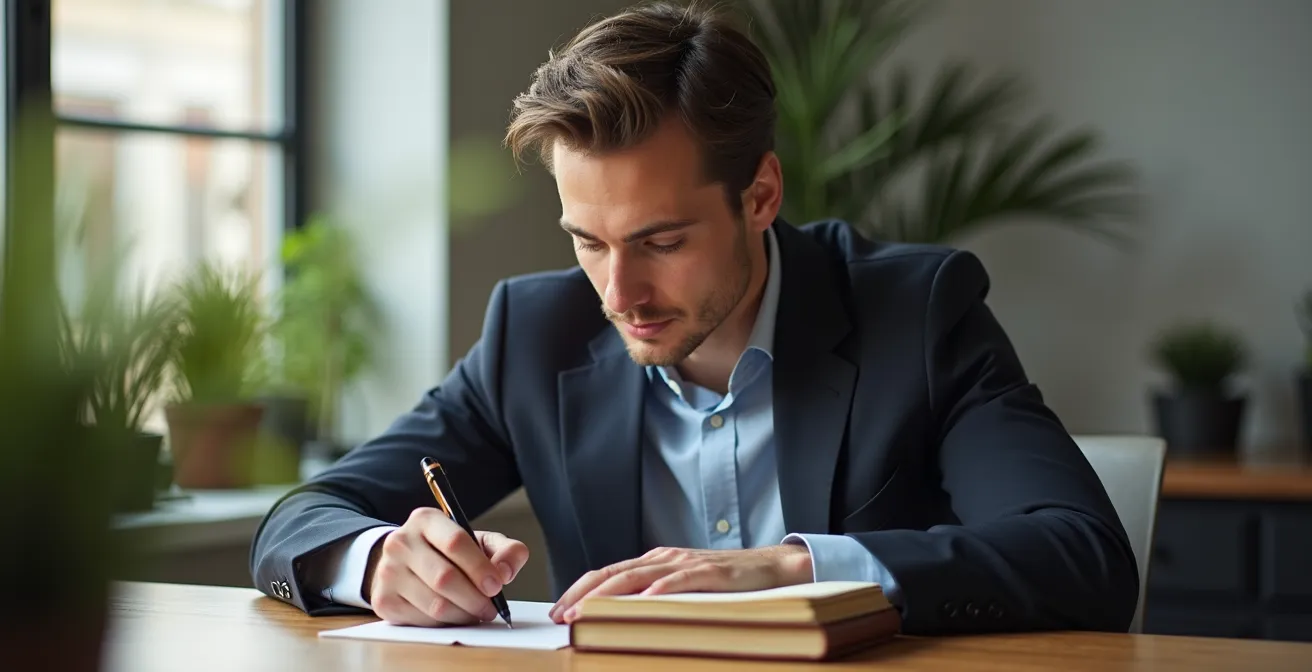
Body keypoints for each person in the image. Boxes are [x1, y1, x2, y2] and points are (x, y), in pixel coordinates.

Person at [250, 0, 1138, 635]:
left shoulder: (917, 312)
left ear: (759, 195)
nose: (617, 292)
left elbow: (1082, 557)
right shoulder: (536, 332)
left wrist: (790, 568)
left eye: (661, 241)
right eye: (587, 242)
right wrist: (374, 561)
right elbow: (305, 517)